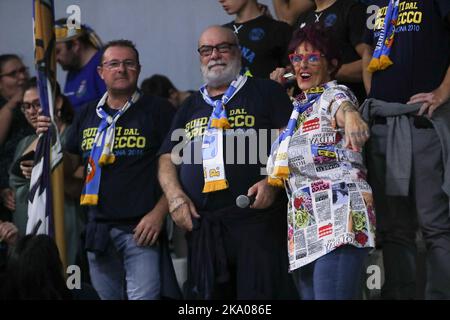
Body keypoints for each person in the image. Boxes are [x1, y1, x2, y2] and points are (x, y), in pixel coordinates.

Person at [158, 25, 298, 299]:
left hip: (257, 223)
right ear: (200, 56)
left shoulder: (265, 91)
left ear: (237, 52)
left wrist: (273, 182)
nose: (215, 55)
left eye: (223, 47)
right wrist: (175, 198)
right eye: (207, 50)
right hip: (204, 227)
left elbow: (291, 140)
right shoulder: (190, 105)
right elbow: (166, 157)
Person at [36, 40, 180, 300]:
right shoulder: (87, 113)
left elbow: (178, 167)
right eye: (113, 64)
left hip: (141, 230)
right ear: (101, 72)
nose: (121, 69)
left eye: (129, 63)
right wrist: (52, 141)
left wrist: (159, 214)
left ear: (139, 69)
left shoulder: (159, 110)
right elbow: (71, 163)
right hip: (97, 230)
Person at [268, 25, 375, 300]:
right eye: (296, 57)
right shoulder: (296, 110)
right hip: (303, 229)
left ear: (332, 65)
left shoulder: (333, 93)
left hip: (339, 220)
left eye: (313, 57)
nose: (303, 64)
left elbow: (343, 105)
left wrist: (351, 116)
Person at [361, 0, 450, 300]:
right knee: (394, 227)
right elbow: (368, 52)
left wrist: (443, 92)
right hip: (384, 125)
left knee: (434, 224)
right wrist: (375, 96)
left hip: (422, 122)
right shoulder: (375, 2)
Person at [8, 77, 83, 266]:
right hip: (27, 235)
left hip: (65, 231)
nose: (32, 112)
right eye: (26, 106)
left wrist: (45, 171)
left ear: (57, 102)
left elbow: (79, 186)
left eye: (37, 104)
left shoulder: (73, 136)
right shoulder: (24, 143)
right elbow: (16, 185)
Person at [271, 0, 368, 104]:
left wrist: (326, 69)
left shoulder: (353, 9)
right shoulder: (303, 18)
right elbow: (297, 70)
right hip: (311, 110)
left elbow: (371, 61)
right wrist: (285, 76)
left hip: (347, 103)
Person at [219, 0, 293, 79]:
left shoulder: (279, 30)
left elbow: (295, 73)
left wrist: (283, 78)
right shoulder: (222, 33)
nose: (221, 0)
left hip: (268, 90)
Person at [0, 54, 33, 222]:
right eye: (13, 74)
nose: (22, 77)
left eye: (23, 71)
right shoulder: (6, 107)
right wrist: (14, 101)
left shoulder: (36, 98)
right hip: (7, 194)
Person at [55, 19, 106, 112]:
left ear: (75, 45)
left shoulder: (104, 65)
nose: (55, 59)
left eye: (57, 51)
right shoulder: (72, 72)